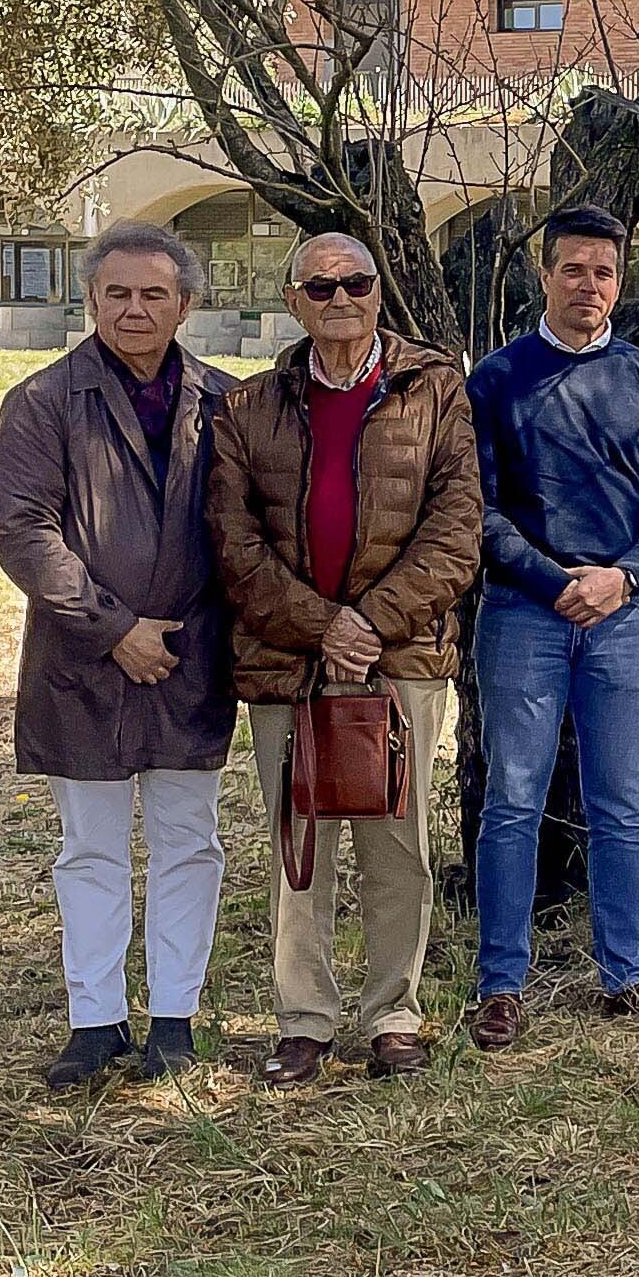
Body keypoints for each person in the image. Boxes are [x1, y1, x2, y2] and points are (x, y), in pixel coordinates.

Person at [210, 230, 480, 1083]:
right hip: (287, 660)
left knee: (398, 845)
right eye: (320, 287)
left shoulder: (434, 389)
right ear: (293, 302)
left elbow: (456, 528)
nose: (340, 300)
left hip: (400, 659)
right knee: (301, 846)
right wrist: (323, 626)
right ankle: (305, 1019)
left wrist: (369, 624)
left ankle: (394, 1014)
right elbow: (234, 542)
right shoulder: (249, 407)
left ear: (377, 291)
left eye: (355, 283)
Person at [0, 222, 244, 1092]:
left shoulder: (226, 404)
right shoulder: (42, 401)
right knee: (89, 850)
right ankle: (94, 1021)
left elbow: (244, 531)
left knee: (189, 842)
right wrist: (114, 629)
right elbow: (24, 533)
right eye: (118, 293)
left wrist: (171, 634)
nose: (135, 309)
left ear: (185, 304)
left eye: (154, 294)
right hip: (81, 661)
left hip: (191, 657)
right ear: (90, 299)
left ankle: (175, 1018)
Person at [468, 205, 639, 1045]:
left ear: (620, 281)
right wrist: (550, 579)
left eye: (604, 272)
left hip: (625, 616)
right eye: (573, 269)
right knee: (513, 800)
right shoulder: (497, 378)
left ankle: (625, 973)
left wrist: (624, 577)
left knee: (618, 804)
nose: (589, 285)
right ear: (544, 275)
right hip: (522, 615)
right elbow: (478, 509)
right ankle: (501, 982)